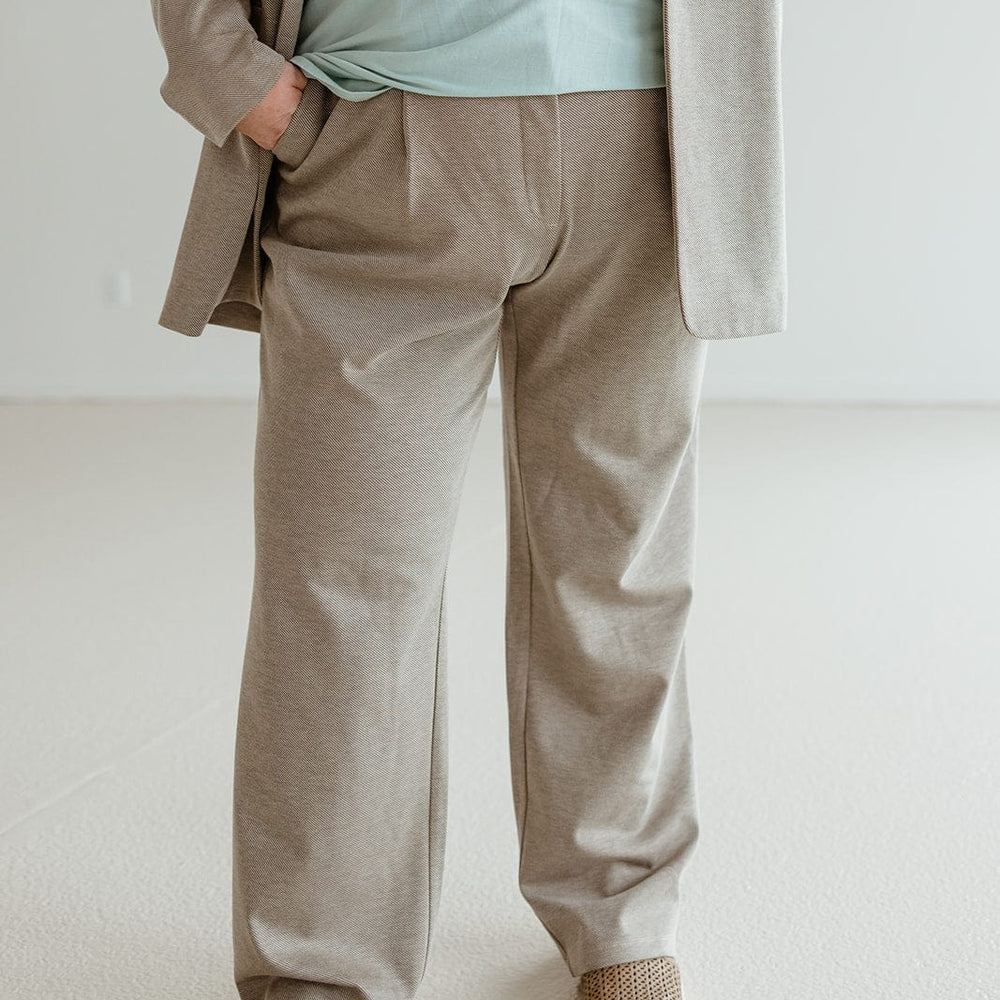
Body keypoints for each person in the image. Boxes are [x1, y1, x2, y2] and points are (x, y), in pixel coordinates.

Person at [149, 1, 786, 998]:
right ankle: (319, 965)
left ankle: (619, 915)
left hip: (648, 129)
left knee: (615, 561)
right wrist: (229, 71)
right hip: (372, 122)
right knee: (340, 582)